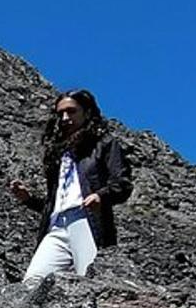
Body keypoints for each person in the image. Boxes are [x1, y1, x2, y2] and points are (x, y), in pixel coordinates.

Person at [10, 89, 131, 282]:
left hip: (86, 220)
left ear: (87, 112)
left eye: (71, 111)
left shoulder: (104, 144)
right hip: (56, 224)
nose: (65, 118)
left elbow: (122, 183)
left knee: (90, 280)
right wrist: (29, 200)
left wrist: (101, 195)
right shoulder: (59, 154)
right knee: (32, 281)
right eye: (61, 114)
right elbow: (56, 200)